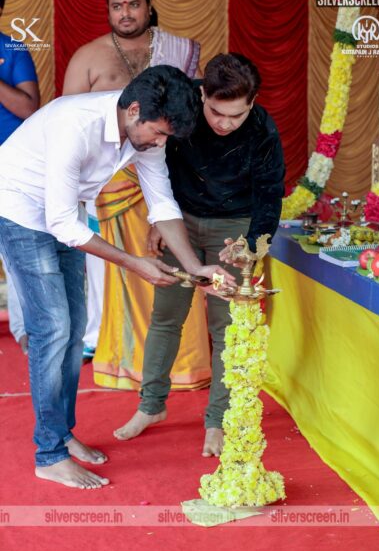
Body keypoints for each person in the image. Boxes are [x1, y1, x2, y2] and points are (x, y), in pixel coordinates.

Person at [0, 65, 233, 489]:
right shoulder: (77, 125)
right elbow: (65, 227)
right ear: (135, 110)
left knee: (71, 334)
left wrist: (194, 265)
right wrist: (135, 263)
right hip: (18, 210)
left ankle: (63, 435)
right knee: (52, 329)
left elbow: (161, 202)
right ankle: (48, 454)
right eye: (159, 133)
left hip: (64, 213)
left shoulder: (144, 132)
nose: (160, 143)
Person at [114, 53, 286, 457]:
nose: (225, 123)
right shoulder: (183, 106)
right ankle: (150, 406)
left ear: (253, 102)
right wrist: (159, 221)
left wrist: (252, 246)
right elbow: (157, 163)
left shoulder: (262, 127)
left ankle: (218, 421)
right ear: (202, 93)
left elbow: (270, 192)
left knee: (225, 327)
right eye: (216, 112)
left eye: (236, 115)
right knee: (165, 316)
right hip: (182, 223)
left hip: (234, 228)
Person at [63, 0, 210, 387]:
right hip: (106, 183)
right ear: (108, 11)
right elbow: (73, 125)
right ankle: (110, 349)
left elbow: (186, 117)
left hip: (162, 166)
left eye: (133, 4)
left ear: (148, 6)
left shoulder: (177, 50)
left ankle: (177, 359)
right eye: (117, 6)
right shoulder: (88, 57)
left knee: (170, 257)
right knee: (106, 271)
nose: (125, 13)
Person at [0, 0, 40, 354]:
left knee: (14, 250)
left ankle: (26, 330)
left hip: (9, 163)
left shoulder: (12, 49)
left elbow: (30, 108)